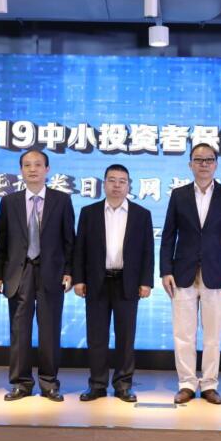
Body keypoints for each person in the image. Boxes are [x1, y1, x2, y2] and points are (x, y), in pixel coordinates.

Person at [160, 143, 221, 405]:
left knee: (212, 335)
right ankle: (186, 383)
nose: (204, 164)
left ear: (216, 164)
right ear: (190, 164)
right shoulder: (179, 195)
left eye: (209, 160)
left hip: (217, 273)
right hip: (182, 272)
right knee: (183, 333)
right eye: (198, 160)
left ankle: (209, 384)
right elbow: (168, 235)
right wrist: (165, 270)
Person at [0, 149, 75, 402]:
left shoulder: (61, 200)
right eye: (27, 165)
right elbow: (2, 240)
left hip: (52, 272)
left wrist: (69, 271)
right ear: (21, 170)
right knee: (20, 331)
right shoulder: (10, 201)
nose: (33, 169)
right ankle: (21, 383)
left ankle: (49, 383)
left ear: (47, 169)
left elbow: (69, 240)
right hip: (20, 271)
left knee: (49, 330)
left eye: (38, 164)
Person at [73, 164, 154, 403]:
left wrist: (146, 282)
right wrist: (79, 279)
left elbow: (148, 251)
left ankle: (123, 385)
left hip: (127, 283)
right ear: (104, 183)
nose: (117, 185)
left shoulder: (141, 214)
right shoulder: (89, 212)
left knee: (125, 337)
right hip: (96, 282)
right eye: (112, 180)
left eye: (122, 181)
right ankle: (97, 385)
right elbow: (80, 249)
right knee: (96, 337)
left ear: (129, 185)